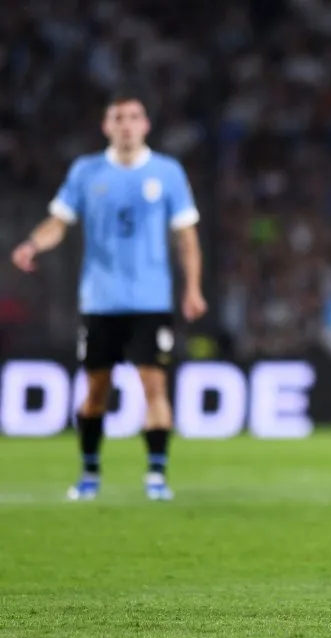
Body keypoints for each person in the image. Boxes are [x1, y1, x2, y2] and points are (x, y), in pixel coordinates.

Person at [10, 93, 206, 501]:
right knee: (97, 390)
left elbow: (186, 236)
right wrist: (33, 244)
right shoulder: (87, 171)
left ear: (146, 125)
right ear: (106, 127)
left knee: (154, 385)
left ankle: (156, 475)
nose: (127, 125)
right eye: (119, 118)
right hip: (100, 300)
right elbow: (59, 222)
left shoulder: (167, 172)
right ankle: (89, 472)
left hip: (151, 300)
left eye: (134, 117)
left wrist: (192, 288)